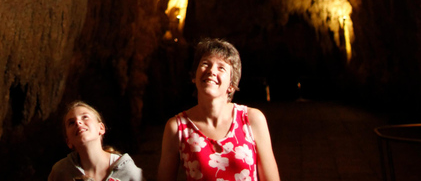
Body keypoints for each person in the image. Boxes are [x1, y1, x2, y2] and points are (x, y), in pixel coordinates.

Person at [157, 39, 280, 181]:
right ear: (193, 76)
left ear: (231, 85)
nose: (211, 71)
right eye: (205, 64)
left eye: (221, 68)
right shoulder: (177, 128)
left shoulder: (252, 119)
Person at [49, 101, 143, 181]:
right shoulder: (61, 172)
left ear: (101, 128)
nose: (78, 122)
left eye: (85, 117)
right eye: (71, 122)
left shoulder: (126, 170)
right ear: (68, 142)